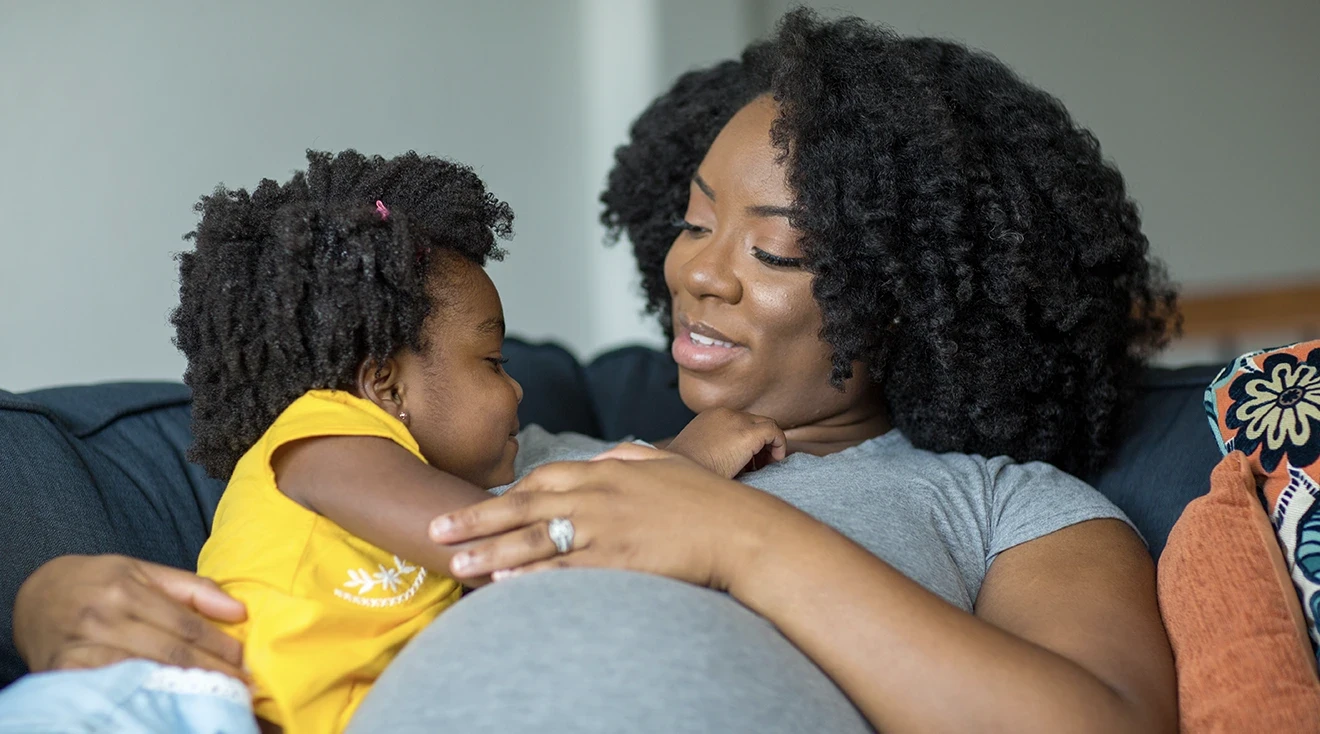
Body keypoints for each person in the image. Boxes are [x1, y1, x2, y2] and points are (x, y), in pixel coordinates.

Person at [11, 10, 1181, 733]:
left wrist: (737, 538)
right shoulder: (507, 453)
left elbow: (1103, 720)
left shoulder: (1005, 504)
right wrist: (48, 599)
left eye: (775, 247)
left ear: (928, 291)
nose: (701, 275)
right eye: (691, 222)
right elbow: (280, 549)